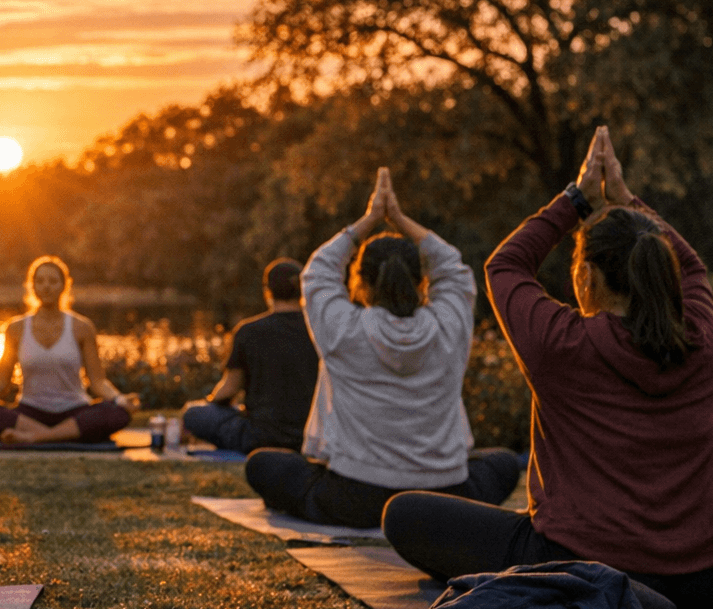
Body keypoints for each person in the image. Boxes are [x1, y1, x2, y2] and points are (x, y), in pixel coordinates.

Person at [383, 128, 713, 609]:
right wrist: (627, 201)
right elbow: (692, 269)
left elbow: (506, 265)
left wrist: (576, 198)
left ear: (585, 276)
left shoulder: (560, 342)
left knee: (405, 514)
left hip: (579, 570)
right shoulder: (701, 340)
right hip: (712, 578)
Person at [244, 169, 520, 528]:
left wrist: (369, 220)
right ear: (421, 280)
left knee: (263, 464)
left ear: (360, 281)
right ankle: (425, 517)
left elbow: (317, 271)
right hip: (445, 494)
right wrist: (400, 220)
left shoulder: (344, 330)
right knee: (503, 463)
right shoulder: (449, 327)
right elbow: (453, 269)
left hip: (356, 497)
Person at [0, 256, 140, 446]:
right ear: (32, 286)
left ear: (64, 286)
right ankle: (59, 436)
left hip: (74, 411)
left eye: (53, 281)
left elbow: (97, 382)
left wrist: (120, 399)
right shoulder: (16, 328)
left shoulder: (82, 327)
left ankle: (35, 438)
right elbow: (1, 383)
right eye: (40, 281)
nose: (46, 286)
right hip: (29, 413)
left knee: (118, 412)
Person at [179, 258, 319, 454]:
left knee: (193, 413)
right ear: (303, 289)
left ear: (267, 291)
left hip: (259, 436)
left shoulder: (249, 331)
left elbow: (229, 389)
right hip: (311, 434)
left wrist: (211, 403)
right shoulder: (320, 331)